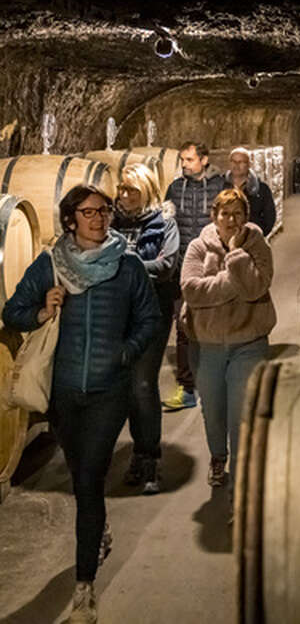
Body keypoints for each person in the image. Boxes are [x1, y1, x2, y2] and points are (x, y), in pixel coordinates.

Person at [2, 185, 159, 624]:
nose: (99, 218)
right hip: (64, 394)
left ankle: (84, 588)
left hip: (109, 393)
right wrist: (40, 311)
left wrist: (126, 352)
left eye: (104, 210)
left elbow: (150, 318)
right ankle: (97, 528)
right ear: (70, 219)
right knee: (80, 474)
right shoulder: (51, 265)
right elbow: (11, 311)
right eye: (89, 212)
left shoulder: (127, 266)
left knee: (89, 478)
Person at [180, 187, 276, 510]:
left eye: (237, 214)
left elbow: (256, 288)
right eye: (225, 214)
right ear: (214, 216)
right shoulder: (197, 247)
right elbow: (192, 291)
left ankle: (240, 489)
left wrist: (235, 254)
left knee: (241, 415)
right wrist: (234, 283)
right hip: (207, 345)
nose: (231, 220)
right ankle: (218, 456)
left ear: (246, 218)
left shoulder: (258, 245)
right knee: (214, 414)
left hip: (248, 342)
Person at [111, 163, 179, 493]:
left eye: (131, 190)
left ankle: (150, 455)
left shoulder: (164, 222)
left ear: (147, 191)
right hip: (118, 313)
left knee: (142, 384)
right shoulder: (110, 221)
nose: (123, 196)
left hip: (152, 312)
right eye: (121, 189)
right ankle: (139, 453)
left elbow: (166, 266)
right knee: (126, 386)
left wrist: (126, 263)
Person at [162, 141, 224, 411]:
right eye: (182, 160)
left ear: (204, 159)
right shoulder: (175, 188)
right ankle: (187, 388)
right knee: (184, 328)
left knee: (215, 325)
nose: (184, 164)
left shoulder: (222, 186)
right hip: (182, 268)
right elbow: (167, 223)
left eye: (189, 159)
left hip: (213, 268)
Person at [223, 146, 276, 236]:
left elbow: (269, 218)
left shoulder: (261, 189)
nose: (236, 165)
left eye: (241, 162)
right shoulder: (220, 186)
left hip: (251, 241)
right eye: (233, 161)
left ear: (249, 164)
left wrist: (256, 236)